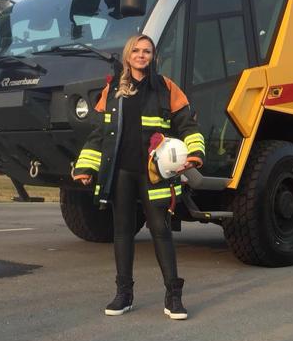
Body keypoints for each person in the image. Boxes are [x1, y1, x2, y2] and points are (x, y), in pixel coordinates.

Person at [72, 34, 204, 320]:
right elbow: (99, 134)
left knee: (160, 230)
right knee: (122, 232)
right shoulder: (113, 90)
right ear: (128, 55)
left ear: (153, 57)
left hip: (154, 174)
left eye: (147, 51)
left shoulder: (166, 87)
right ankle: (124, 294)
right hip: (121, 172)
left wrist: (194, 153)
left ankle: (173, 295)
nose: (141, 55)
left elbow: (187, 124)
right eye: (137, 50)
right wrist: (86, 167)